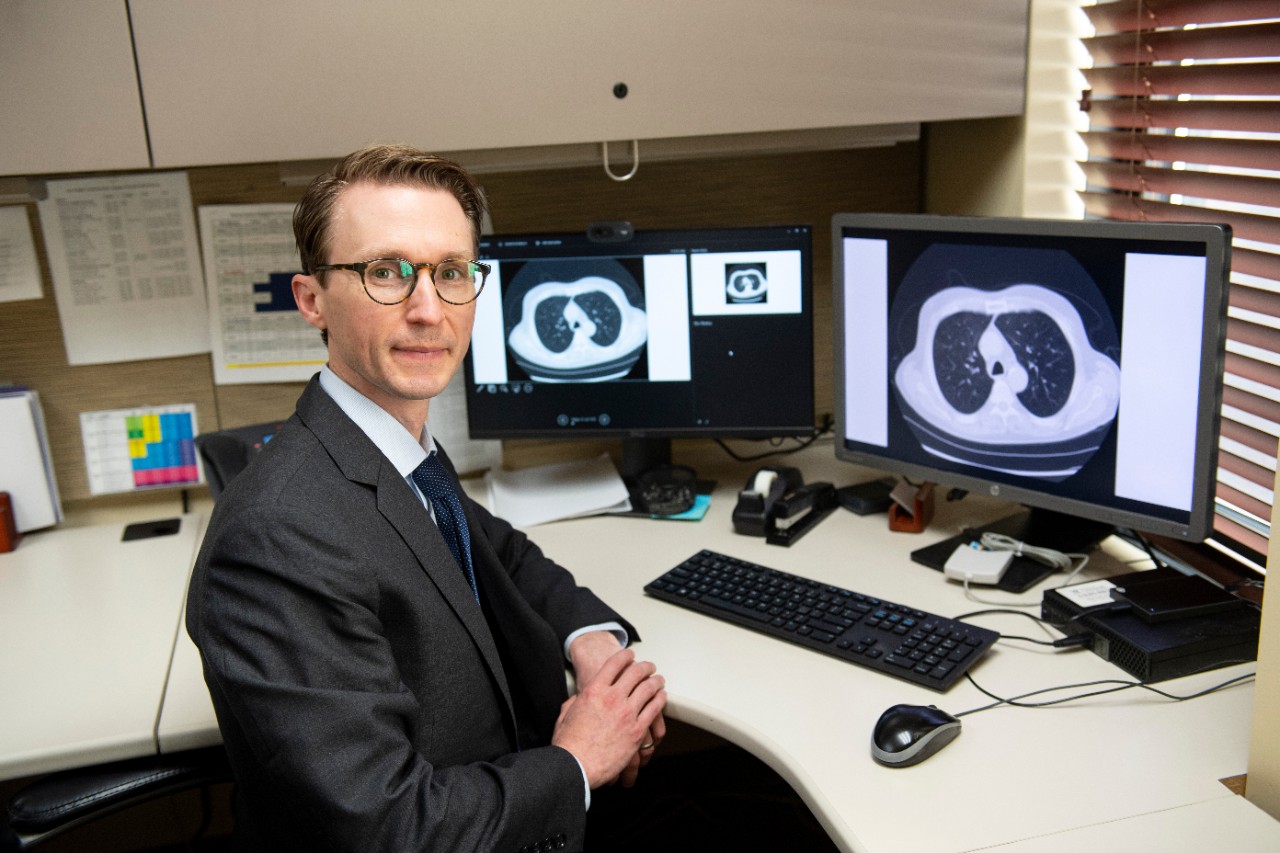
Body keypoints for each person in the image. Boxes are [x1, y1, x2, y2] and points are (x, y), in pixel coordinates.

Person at [186, 143, 667, 852]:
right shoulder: (274, 540)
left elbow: (499, 548)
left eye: (450, 272)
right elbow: (392, 828)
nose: (427, 308)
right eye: (386, 271)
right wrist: (577, 761)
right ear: (311, 300)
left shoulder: (391, 449)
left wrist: (588, 639)